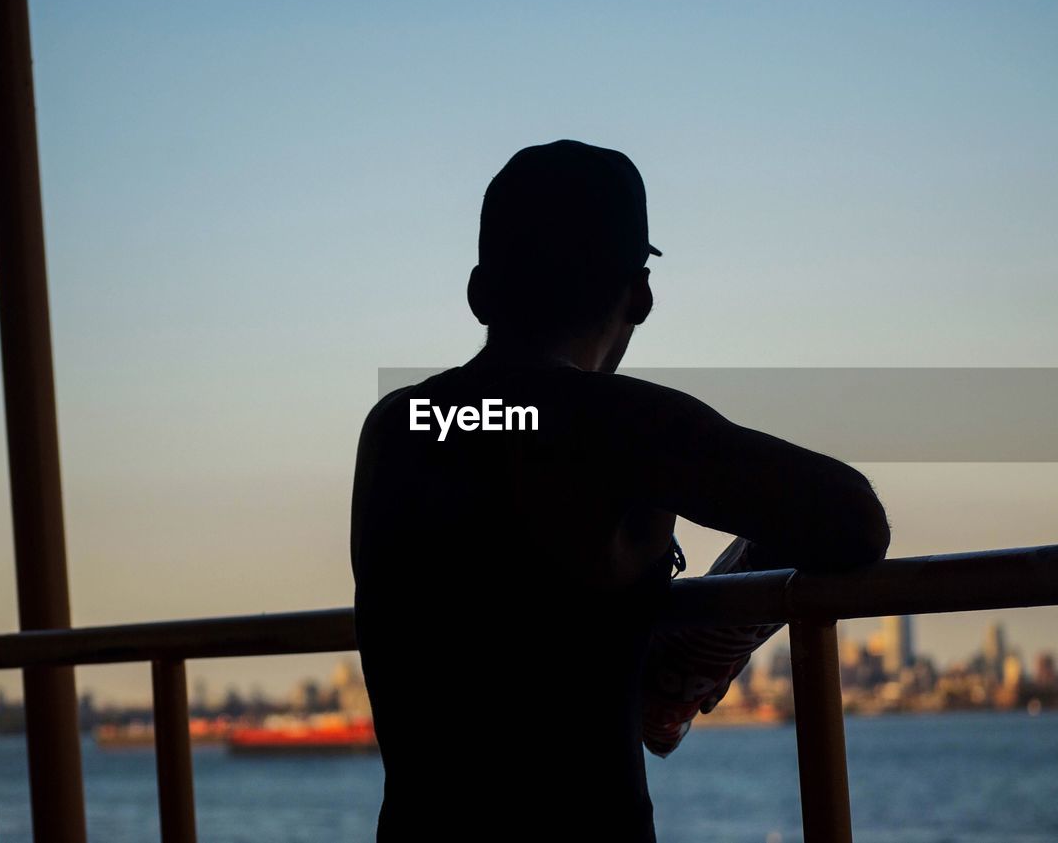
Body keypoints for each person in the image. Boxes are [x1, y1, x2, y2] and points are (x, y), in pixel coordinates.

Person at [349, 139, 890, 842]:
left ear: (480, 292)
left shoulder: (398, 427)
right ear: (639, 293)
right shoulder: (623, 424)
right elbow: (854, 521)